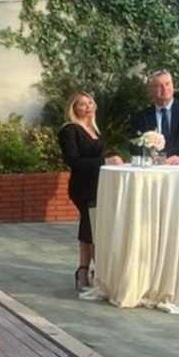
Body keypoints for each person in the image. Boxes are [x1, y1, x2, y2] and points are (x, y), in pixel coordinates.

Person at [57, 92, 122, 290]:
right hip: (83, 186)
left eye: (90, 103)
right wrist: (105, 161)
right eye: (82, 104)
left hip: (99, 184)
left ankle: (84, 271)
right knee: (91, 227)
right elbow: (74, 161)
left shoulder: (93, 128)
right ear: (73, 108)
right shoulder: (69, 130)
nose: (88, 107)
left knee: (89, 226)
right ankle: (94, 272)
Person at [129, 70, 179, 164]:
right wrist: (149, 158)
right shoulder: (141, 117)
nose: (165, 88)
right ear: (150, 90)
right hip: (153, 169)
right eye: (159, 86)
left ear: (173, 86)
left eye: (167, 84)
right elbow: (135, 146)